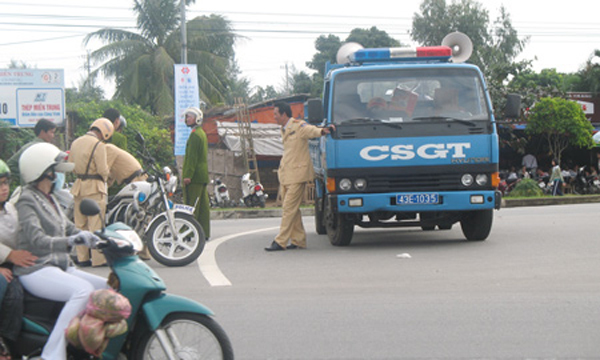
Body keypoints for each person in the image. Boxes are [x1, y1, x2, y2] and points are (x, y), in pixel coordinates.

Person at [14, 143, 108, 360]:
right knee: (82, 291)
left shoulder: (50, 198)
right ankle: (52, 354)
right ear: (43, 171)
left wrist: (96, 236)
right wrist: (71, 241)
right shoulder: (27, 200)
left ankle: (86, 345)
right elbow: (37, 239)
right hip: (36, 268)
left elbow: (68, 227)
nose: (58, 174)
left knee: (105, 288)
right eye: (54, 170)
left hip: (60, 266)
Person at [265, 102, 334, 251]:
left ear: (283, 114)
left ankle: (280, 241)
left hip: (297, 175)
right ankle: (299, 240)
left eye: (276, 114)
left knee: (288, 209)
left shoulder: (298, 126)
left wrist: (323, 131)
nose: (274, 117)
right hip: (286, 175)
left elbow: (311, 130)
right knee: (292, 209)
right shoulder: (283, 129)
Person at [0, 160, 38, 360]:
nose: (4, 188)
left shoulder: (10, 210)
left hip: (11, 264)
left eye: (5, 183)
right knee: (8, 288)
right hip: (3, 267)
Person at [68, 118, 114, 267]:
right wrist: (108, 177)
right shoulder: (98, 145)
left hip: (79, 186)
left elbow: (71, 167)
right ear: (104, 132)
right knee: (96, 224)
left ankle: (83, 258)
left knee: (80, 224)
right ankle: (98, 259)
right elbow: (102, 170)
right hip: (95, 187)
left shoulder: (75, 143)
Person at [182, 107, 210, 241]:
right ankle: (204, 232)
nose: (187, 119)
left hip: (195, 176)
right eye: (187, 117)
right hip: (202, 175)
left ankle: (187, 232)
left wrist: (188, 175)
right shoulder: (201, 133)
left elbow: (192, 158)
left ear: (197, 118)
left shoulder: (194, 135)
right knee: (203, 206)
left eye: (189, 117)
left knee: (190, 205)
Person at [7, 118, 57, 184]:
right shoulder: (44, 149)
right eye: (52, 132)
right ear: (42, 132)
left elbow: (10, 164)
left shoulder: (27, 147)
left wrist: (24, 174)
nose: (53, 136)